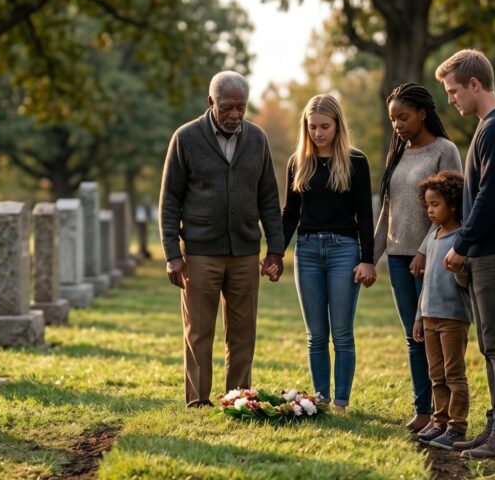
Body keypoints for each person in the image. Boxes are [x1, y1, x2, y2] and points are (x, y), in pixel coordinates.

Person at [159, 70, 285, 408]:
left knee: (243, 332)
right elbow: (169, 200)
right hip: (200, 254)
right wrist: (172, 254)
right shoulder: (186, 138)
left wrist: (275, 250)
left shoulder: (257, 139)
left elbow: (268, 198)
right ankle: (198, 400)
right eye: (227, 107)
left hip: (245, 253)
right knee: (199, 332)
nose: (234, 115)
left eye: (241, 107)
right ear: (211, 102)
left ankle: (239, 398)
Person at [435, 49, 495, 459]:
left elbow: (490, 198)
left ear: (475, 84)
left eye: (454, 91)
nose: (451, 99)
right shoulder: (490, 127)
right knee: (490, 344)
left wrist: (461, 244)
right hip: (489, 252)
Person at [277, 94, 376, 414]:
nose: (318, 133)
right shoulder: (298, 162)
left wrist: (368, 258)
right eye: (312, 127)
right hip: (306, 251)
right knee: (316, 335)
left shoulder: (356, 161)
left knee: (342, 333)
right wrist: (276, 253)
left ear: (337, 125)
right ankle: (319, 400)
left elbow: (365, 213)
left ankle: (341, 402)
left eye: (324, 126)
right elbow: (290, 214)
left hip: (344, 251)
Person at [373, 82, 462, 433]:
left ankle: (446, 416)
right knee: (414, 339)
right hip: (398, 258)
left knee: (436, 338)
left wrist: (425, 250)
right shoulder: (396, 153)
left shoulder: (445, 150)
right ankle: (423, 411)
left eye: (403, 117)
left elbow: (453, 210)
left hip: (433, 258)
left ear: (422, 113)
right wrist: (370, 257)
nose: (397, 125)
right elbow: (388, 211)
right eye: (393, 118)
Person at [408, 171, 472, 451]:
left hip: (453, 318)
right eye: (427, 205)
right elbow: (426, 284)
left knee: (454, 374)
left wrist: (458, 268)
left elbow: (465, 280)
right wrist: (419, 318)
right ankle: (440, 421)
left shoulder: (462, 240)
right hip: (430, 317)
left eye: (435, 205)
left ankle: (457, 427)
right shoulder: (433, 236)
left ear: (453, 205)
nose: (430, 211)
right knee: (436, 375)